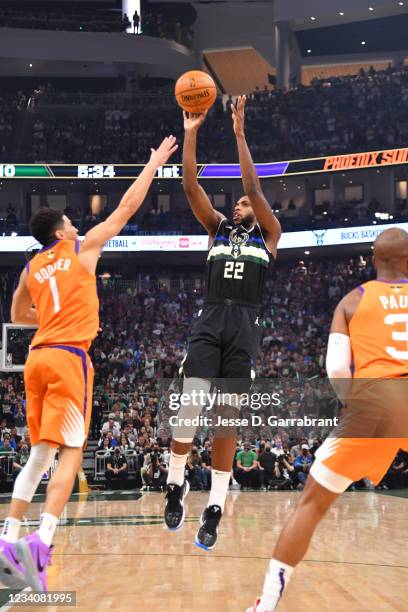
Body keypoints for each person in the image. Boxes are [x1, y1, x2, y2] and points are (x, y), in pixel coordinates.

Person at [0, 135, 177, 591]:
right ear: (60, 232)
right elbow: (126, 208)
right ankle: (43, 538)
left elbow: (17, 315)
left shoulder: (31, 267)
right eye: (71, 222)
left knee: (39, 453)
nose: (77, 225)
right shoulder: (81, 250)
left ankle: (9, 537)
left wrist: (48, 314)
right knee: (72, 452)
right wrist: (154, 163)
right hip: (68, 358)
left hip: (35, 359)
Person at [247, 227, 408, 611]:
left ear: (372, 260)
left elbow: (336, 368)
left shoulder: (353, 300)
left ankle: (266, 605)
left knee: (312, 505)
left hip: (374, 400)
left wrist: (355, 405)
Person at [164, 95, 281, 550]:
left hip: (244, 326)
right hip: (211, 319)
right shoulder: (215, 229)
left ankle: (214, 508)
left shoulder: (271, 234)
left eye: (243, 206)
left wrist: (238, 134)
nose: (238, 206)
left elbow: (253, 187)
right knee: (190, 407)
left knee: (226, 418)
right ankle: (176, 484)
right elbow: (191, 186)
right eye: (234, 204)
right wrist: (191, 132)